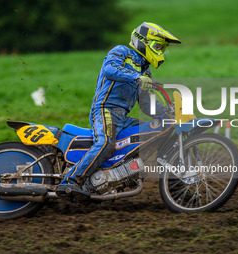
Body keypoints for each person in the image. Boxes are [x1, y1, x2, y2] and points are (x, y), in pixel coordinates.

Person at [56, 22, 181, 197]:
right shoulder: (122, 52)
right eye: (158, 47)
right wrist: (136, 77)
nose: (160, 52)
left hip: (123, 118)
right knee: (106, 144)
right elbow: (109, 69)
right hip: (105, 110)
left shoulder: (145, 72)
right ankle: (70, 181)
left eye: (163, 49)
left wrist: (165, 113)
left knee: (155, 134)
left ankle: (177, 190)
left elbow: (145, 104)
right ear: (143, 41)